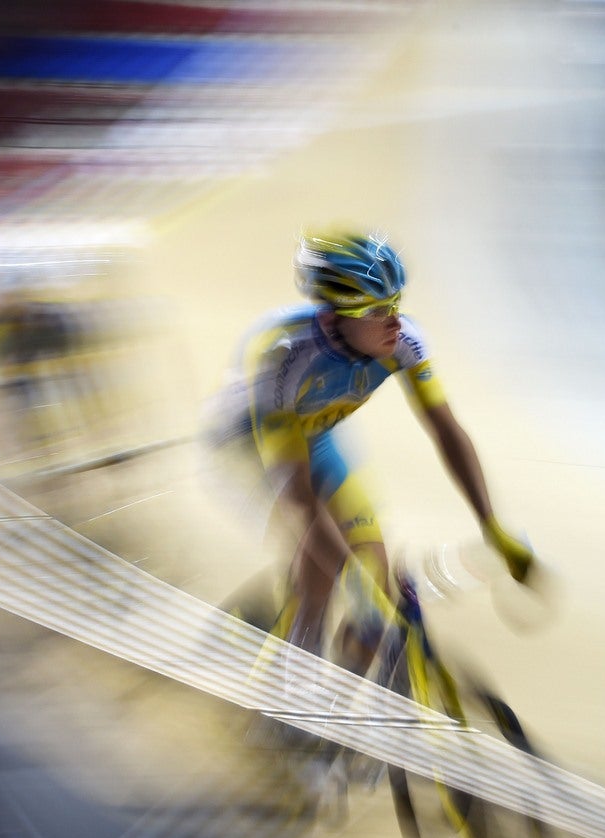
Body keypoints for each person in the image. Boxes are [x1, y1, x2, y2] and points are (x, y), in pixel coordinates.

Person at [212, 229, 534, 664]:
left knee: (376, 576)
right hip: (248, 449)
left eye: (397, 304)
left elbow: (446, 431)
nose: (395, 321)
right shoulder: (285, 358)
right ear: (334, 317)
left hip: (314, 440)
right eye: (378, 310)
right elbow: (300, 497)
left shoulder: (404, 342)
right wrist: (352, 581)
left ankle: (342, 681)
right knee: (324, 576)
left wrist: (491, 524)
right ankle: (289, 677)